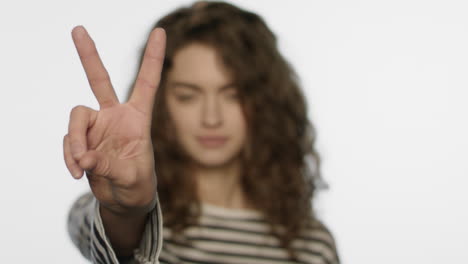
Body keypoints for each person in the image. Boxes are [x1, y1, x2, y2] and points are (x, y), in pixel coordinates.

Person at [64, 1, 340, 263]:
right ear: (161, 105)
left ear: (265, 102)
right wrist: (128, 210)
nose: (211, 118)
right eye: (187, 96)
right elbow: (113, 240)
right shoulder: (107, 210)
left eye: (233, 95)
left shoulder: (311, 246)